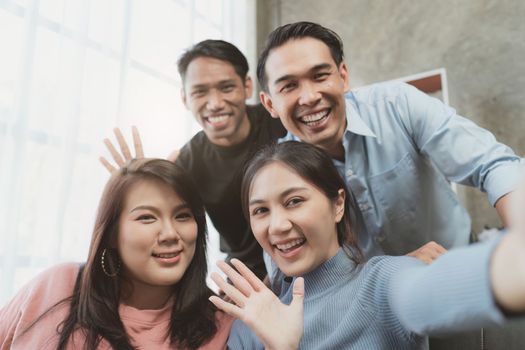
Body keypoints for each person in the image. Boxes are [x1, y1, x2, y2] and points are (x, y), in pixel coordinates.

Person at [211, 141, 525, 349]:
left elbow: (430, 288)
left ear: (337, 205)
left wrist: (509, 265)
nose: (277, 226)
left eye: (294, 201)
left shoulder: (383, 283)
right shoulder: (252, 323)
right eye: (260, 211)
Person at [256, 21, 523, 259]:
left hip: (455, 265)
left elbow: (494, 165)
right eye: (289, 86)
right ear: (270, 103)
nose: (310, 97)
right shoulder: (278, 173)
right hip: (371, 306)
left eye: (320, 76)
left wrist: (519, 237)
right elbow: (297, 270)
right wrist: (393, 273)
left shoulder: (397, 104)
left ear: (343, 77)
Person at [100, 40, 287, 279]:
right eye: (200, 92)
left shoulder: (281, 122)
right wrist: (133, 184)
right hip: (246, 276)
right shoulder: (187, 162)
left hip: (300, 254)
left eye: (227, 88)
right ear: (185, 99)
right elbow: (160, 221)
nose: (215, 104)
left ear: (247, 87)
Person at [0, 159, 232, 349]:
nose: (170, 234)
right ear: (111, 234)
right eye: (146, 217)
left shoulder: (220, 325)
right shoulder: (57, 285)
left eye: (182, 216)